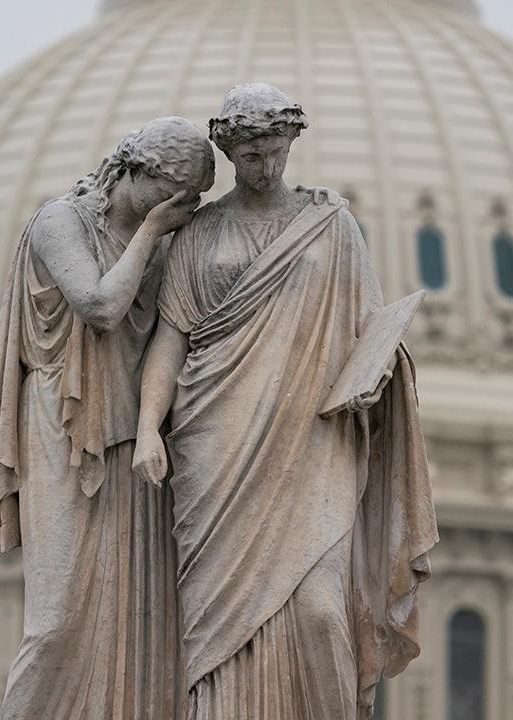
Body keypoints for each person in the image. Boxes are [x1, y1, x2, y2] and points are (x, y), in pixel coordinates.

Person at [134, 84, 439, 720]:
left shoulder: (331, 225)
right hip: (215, 440)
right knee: (216, 625)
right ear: (229, 153)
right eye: (251, 155)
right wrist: (145, 431)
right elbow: (170, 337)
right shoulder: (200, 232)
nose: (265, 166)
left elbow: (367, 332)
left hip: (312, 438)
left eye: (275, 151)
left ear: (291, 143)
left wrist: (377, 374)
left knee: (320, 609)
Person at [0, 116, 214, 719]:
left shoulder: (169, 243)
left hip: (136, 436)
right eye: (170, 195)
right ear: (134, 170)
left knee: (139, 616)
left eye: (187, 201)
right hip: (63, 422)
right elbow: (101, 306)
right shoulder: (61, 222)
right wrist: (154, 230)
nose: (177, 210)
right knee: (56, 620)